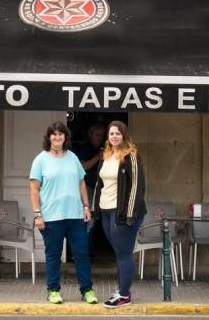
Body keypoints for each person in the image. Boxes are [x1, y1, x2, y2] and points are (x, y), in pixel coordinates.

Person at [29, 121, 98, 305]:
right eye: (54, 134)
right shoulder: (40, 159)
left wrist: (86, 206)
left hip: (75, 216)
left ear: (65, 137)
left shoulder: (73, 158)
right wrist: (37, 214)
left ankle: (87, 290)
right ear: (49, 137)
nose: (57, 137)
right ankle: (53, 290)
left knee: (81, 254)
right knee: (53, 255)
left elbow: (81, 182)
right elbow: (34, 189)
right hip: (51, 217)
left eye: (61, 134)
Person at [93, 120, 146, 308]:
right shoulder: (105, 155)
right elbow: (99, 184)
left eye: (118, 133)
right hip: (106, 210)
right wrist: (95, 209)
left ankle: (124, 295)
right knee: (118, 251)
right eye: (111, 133)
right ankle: (123, 289)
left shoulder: (131, 155)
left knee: (124, 253)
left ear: (124, 135)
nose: (114, 136)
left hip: (123, 212)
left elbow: (137, 187)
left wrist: (129, 214)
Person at [71, 123, 106, 252]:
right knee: (86, 222)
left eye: (101, 135)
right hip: (86, 190)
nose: (99, 138)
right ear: (90, 135)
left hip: (97, 190)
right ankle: (80, 252)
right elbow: (83, 167)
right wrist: (98, 157)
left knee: (92, 221)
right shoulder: (85, 149)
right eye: (97, 135)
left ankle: (87, 251)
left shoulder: (99, 149)